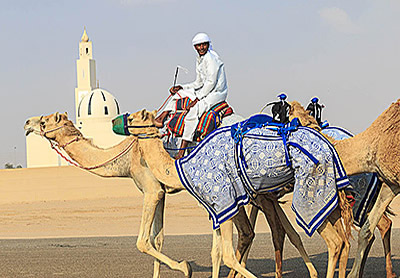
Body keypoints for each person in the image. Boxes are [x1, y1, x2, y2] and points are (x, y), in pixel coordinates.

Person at [155, 32, 228, 159]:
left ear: (207, 45)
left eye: (203, 45)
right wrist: (182, 87)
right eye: (198, 46)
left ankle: (182, 150)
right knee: (178, 94)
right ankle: (162, 117)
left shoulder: (211, 59)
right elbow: (199, 82)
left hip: (215, 93)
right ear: (195, 47)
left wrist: (197, 98)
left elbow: (211, 83)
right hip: (203, 90)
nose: (201, 48)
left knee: (192, 112)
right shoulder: (200, 59)